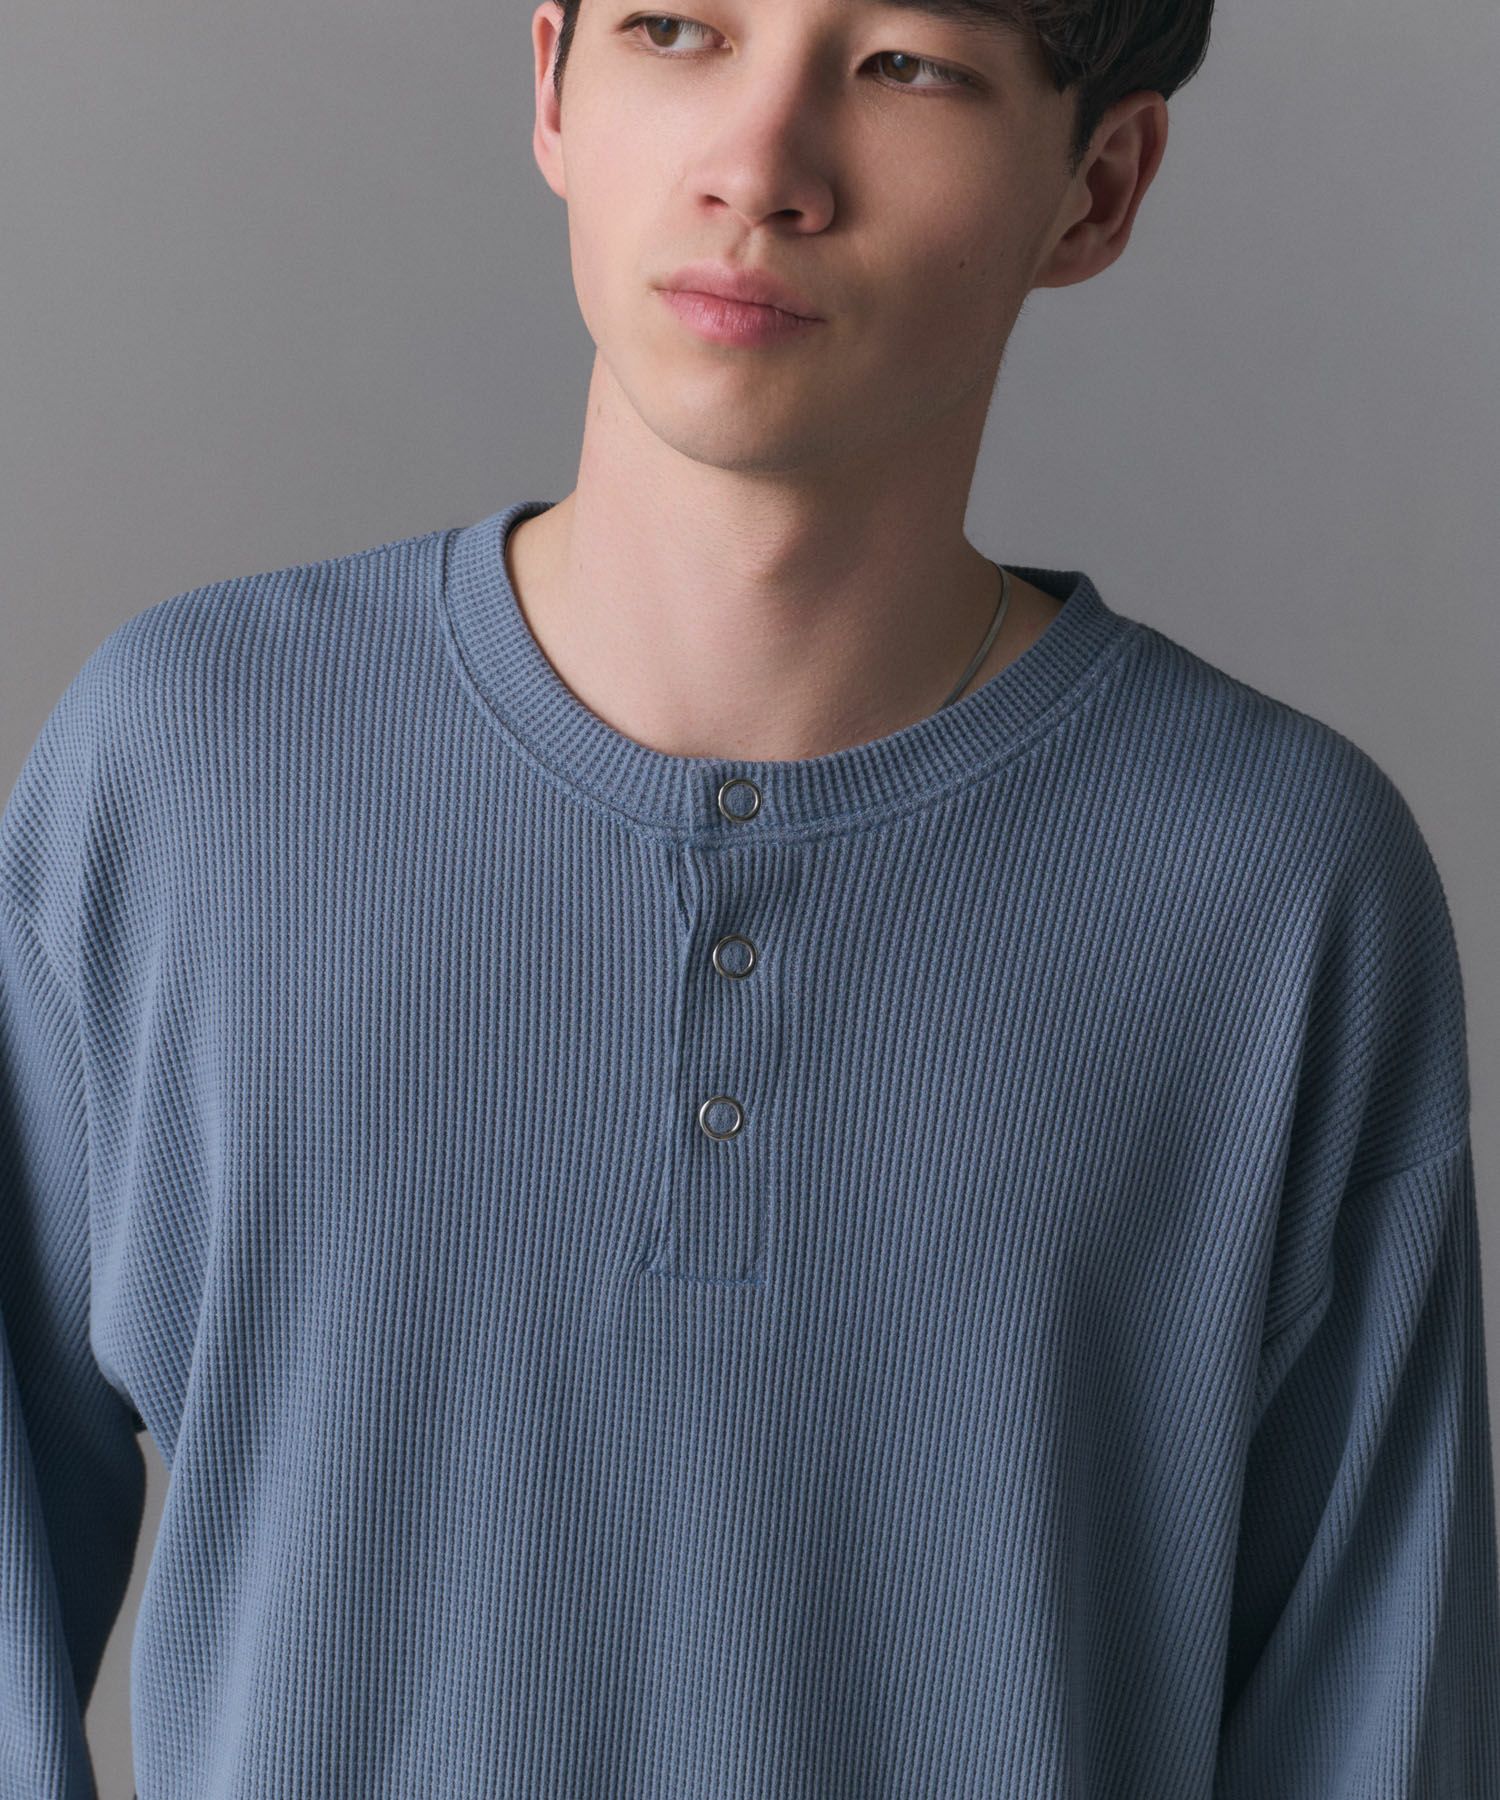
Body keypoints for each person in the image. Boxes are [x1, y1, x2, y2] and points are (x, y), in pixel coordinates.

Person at [3, 0, 1498, 1792]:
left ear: (1097, 188)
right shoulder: (183, 768)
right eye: (676, 29)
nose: (761, 168)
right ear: (553, 82)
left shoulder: (1280, 890)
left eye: (906, 65)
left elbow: (1375, 1729)